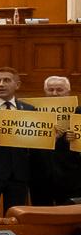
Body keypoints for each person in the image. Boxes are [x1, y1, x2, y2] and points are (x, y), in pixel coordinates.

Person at [0, 67, 36, 217]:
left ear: (17, 84)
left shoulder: (29, 110)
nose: (1, 84)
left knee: (15, 218)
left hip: (19, 174)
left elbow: (35, 144)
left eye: (6, 80)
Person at [32, 76, 81, 205]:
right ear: (45, 92)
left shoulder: (79, 113)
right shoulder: (32, 111)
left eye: (59, 90)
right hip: (40, 176)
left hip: (71, 177)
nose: (54, 93)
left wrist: (74, 138)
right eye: (50, 90)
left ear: (68, 92)